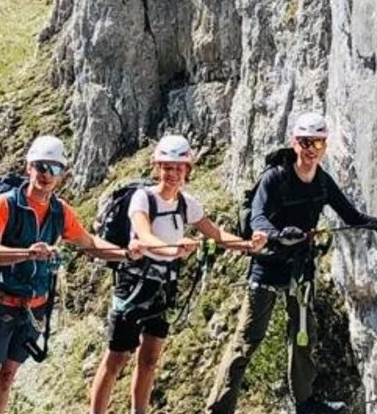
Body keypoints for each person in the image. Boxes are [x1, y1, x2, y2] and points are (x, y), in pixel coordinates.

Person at [206, 113, 377, 414]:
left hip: (300, 269)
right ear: (294, 143)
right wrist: (277, 234)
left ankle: (305, 402)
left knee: (303, 335)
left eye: (318, 143)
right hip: (268, 266)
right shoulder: (275, 178)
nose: (311, 149)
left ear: (324, 146)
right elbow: (258, 216)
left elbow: (350, 216)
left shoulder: (322, 182)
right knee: (247, 340)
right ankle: (218, 408)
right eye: (304, 142)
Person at [89, 134, 268, 414]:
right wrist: (174, 250)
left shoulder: (187, 203)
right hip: (135, 284)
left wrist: (247, 245)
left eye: (178, 168)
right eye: (167, 167)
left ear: (187, 170)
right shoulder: (142, 198)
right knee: (116, 357)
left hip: (164, 286)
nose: (172, 174)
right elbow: (144, 235)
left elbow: (214, 232)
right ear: (157, 168)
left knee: (150, 358)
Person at [0, 135, 132, 414]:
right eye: (41, 167)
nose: (47, 175)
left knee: (6, 378)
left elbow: (88, 243)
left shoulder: (60, 212)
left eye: (54, 169)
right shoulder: (4, 205)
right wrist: (28, 253)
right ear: (29, 167)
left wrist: (125, 254)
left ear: (62, 175)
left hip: (33, 309)